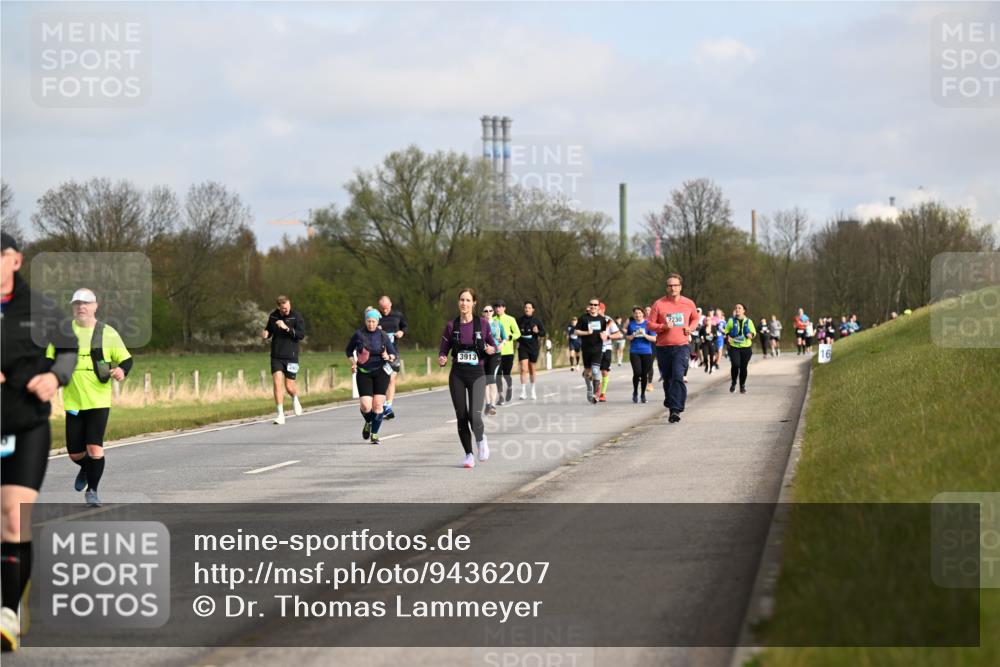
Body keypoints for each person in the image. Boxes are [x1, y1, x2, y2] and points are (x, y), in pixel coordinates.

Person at [1, 232, 78, 652]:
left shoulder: (39, 308)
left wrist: (54, 377)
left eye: (1, 256)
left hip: (25, 423)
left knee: (13, 518)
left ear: (16, 260)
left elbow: (67, 348)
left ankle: (8, 612)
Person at [58, 288, 133, 508]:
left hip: (99, 401)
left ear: (95, 306)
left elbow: (126, 360)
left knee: (94, 448)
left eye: (86, 303)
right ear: (73, 307)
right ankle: (85, 467)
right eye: (77, 304)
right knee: (75, 453)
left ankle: (92, 491)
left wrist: (122, 371)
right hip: (73, 402)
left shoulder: (107, 333)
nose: (81, 307)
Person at [438, 289, 497, 468]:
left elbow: (493, 346)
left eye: (468, 300)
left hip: (477, 373)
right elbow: (443, 350)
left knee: (474, 415)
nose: (464, 303)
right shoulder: (451, 326)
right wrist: (442, 358)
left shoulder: (483, 324)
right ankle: (468, 454)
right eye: (462, 300)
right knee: (461, 416)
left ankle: (480, 440)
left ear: (474, 303)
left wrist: (490, 349)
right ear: (458, 302)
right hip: (457, 374)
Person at [646, 274, 700, 423]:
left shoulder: (688, 303)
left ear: (680, 287)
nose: (673, 288)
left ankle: (676, 409)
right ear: (666, 288)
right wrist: (663, 326)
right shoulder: (659, 304)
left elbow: (695, 318)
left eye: (675, 285)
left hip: (681, 346)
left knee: (678, 376)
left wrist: (691, 328)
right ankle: (671, 404)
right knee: (668, 380)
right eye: (670, 285)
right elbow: (649, 324)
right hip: (663, 347)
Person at [346, 309, 398, 444]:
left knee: (378, 405)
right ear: (365, 321)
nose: (371, 324)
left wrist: (388, 356)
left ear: (377, 322)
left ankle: (374, 434)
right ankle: (369, 422)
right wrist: (354, 363)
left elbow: (393, 354)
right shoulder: (358, 334)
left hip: (381, 372)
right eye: (368, 321)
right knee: (366, 406)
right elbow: (348, 351)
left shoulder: (383, 335)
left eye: (373, 321)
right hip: (364, 372)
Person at [263, 295, 305, 424]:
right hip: (276, 356)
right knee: (277, 383)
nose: (286, 310)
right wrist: (266, 334)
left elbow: (301, 335)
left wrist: (286, 327)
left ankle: (295, 398)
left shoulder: (296, 316)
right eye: (284, 308)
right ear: (278, 307)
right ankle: (280, 415)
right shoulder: (273, 316)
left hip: (291, 356)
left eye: (288, 307)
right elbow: (269, 330)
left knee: (289, 387)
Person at [376, 296, 407, 420]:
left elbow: (405, 326)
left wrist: (401, 332)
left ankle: (388, 406)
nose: (385, 310)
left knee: (392, 378)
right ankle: (382, 403)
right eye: (382, 308)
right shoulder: (377, 316)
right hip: (379, 353)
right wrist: (377, 329)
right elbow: (368, 327)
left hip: (393, 351)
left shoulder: (397, 315)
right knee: (381, 379)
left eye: (386, 308)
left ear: (390, 304)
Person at [573, 298, 608, 404]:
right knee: (588, 372)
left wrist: (604, 336)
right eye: (591, 304)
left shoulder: (602, 319)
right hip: (586, 348)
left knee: (596, 371)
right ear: (589, 306)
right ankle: (589, 388)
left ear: (598, 307)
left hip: (597, 348)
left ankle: (595, 394)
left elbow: (604, 332)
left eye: (595, 305)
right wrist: (587, 333)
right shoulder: (583, 318)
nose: (593, 306)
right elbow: (576, 331)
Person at [723, 304, 757, 394]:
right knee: (735, 365)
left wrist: (751, 334)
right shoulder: (731, 321)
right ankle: (734, 382)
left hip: (746, 348)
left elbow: (754, 332)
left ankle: (742, 385)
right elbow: (726, 330)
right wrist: (728, 336)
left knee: (743, 367)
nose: (737, 309)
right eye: (736, 308)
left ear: (743, 311)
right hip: (734, 347)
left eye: (739, 308)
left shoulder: (749, 321)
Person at [626, 306, 656, 403]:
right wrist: (633, 335)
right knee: (637, 372)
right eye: (635, 313)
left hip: (646, 352)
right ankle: (635, 392)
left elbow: (654, 339)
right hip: (634, 351)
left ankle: (643, 394)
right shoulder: (631, 325)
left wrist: (644, 334)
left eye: (639, 313)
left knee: (644, 374)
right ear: (633, 315)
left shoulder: (648, 324)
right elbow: (628, 337)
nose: (638, 315)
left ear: (643, 314)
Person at [516, 301, 545, 400]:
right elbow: (514, 332)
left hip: (533, 347)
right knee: (523, 368)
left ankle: (533, 390)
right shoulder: (519, 320)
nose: (527, 309)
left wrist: (537, 331)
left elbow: (543, 333)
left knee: (532, 368)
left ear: (533, 310)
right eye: (525, 307)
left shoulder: (537, 321)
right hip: (523, 347)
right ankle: (523, 392)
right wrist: (518, 338)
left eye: (529, 308)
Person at [493, 300, 520, 405]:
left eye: (500, 307)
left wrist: (509, 337)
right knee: (498, 375)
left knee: (506, 374)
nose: (498, 309)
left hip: (508, 352)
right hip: (496, 352)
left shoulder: (510, 319)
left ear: (504, 308)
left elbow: (517, 333)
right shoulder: (492, 320)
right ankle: (500, 396)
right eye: (496, 307)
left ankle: (509, 387)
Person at [482, 304, 506, 415]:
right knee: (485, 380)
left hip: (495, 354)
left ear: (493, 312)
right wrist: (485, 347)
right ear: (483, 313)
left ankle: (493, 405)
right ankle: (487, 404)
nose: (488, 312)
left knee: (491, 378)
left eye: (490, 310)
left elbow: (505, 337)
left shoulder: (498, 324)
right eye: (486, 311)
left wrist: (502, 344)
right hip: (483, 354)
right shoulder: (480, 325)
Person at [596, 303, 622, 402]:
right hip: (594, 348)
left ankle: (602, 393)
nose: (595, 310)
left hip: (606, 348)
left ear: (603, 310)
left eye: (598, 308)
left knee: (604, 371)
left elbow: (618, 334)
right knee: (593, 371)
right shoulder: (590, 319)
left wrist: (608, 336)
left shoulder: (608, 320)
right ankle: (597, 387)